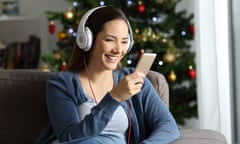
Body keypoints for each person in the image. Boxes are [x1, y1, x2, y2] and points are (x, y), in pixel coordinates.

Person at [35, 6, 179, 144]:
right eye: (110, 40)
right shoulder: (62, 83)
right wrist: (114, 98)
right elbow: (69, 137)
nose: (118, 50)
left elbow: (168, 127)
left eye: (124, 42)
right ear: (87, 40)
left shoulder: (134, 80)